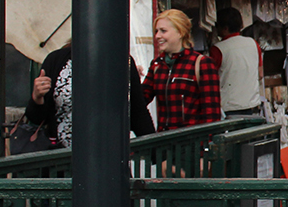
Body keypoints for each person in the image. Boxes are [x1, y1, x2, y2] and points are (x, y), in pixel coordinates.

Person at [24, 42, 156, 146]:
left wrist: (160, 158)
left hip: (108, 159)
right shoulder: (57, 59)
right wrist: (37, 97)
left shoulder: (122, 61)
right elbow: (36, 118)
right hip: (62, 162)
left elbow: (137, 113)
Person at [141, 8, 222, 130]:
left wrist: (207, 144)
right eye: (156, 31)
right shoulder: (157, 65)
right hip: (164, 143)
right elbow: (140, 100)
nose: (158, 36)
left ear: (180, 32)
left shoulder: (201, 63)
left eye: (163, 31)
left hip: (191, 143)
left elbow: (211, 113)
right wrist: (131, 78)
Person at [209, 8, 265, 119]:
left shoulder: (218, 49)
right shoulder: (253, 43)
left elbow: (210, 80)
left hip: (228, 108)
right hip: (251, 104)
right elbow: (260, 74)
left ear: (225, 28)